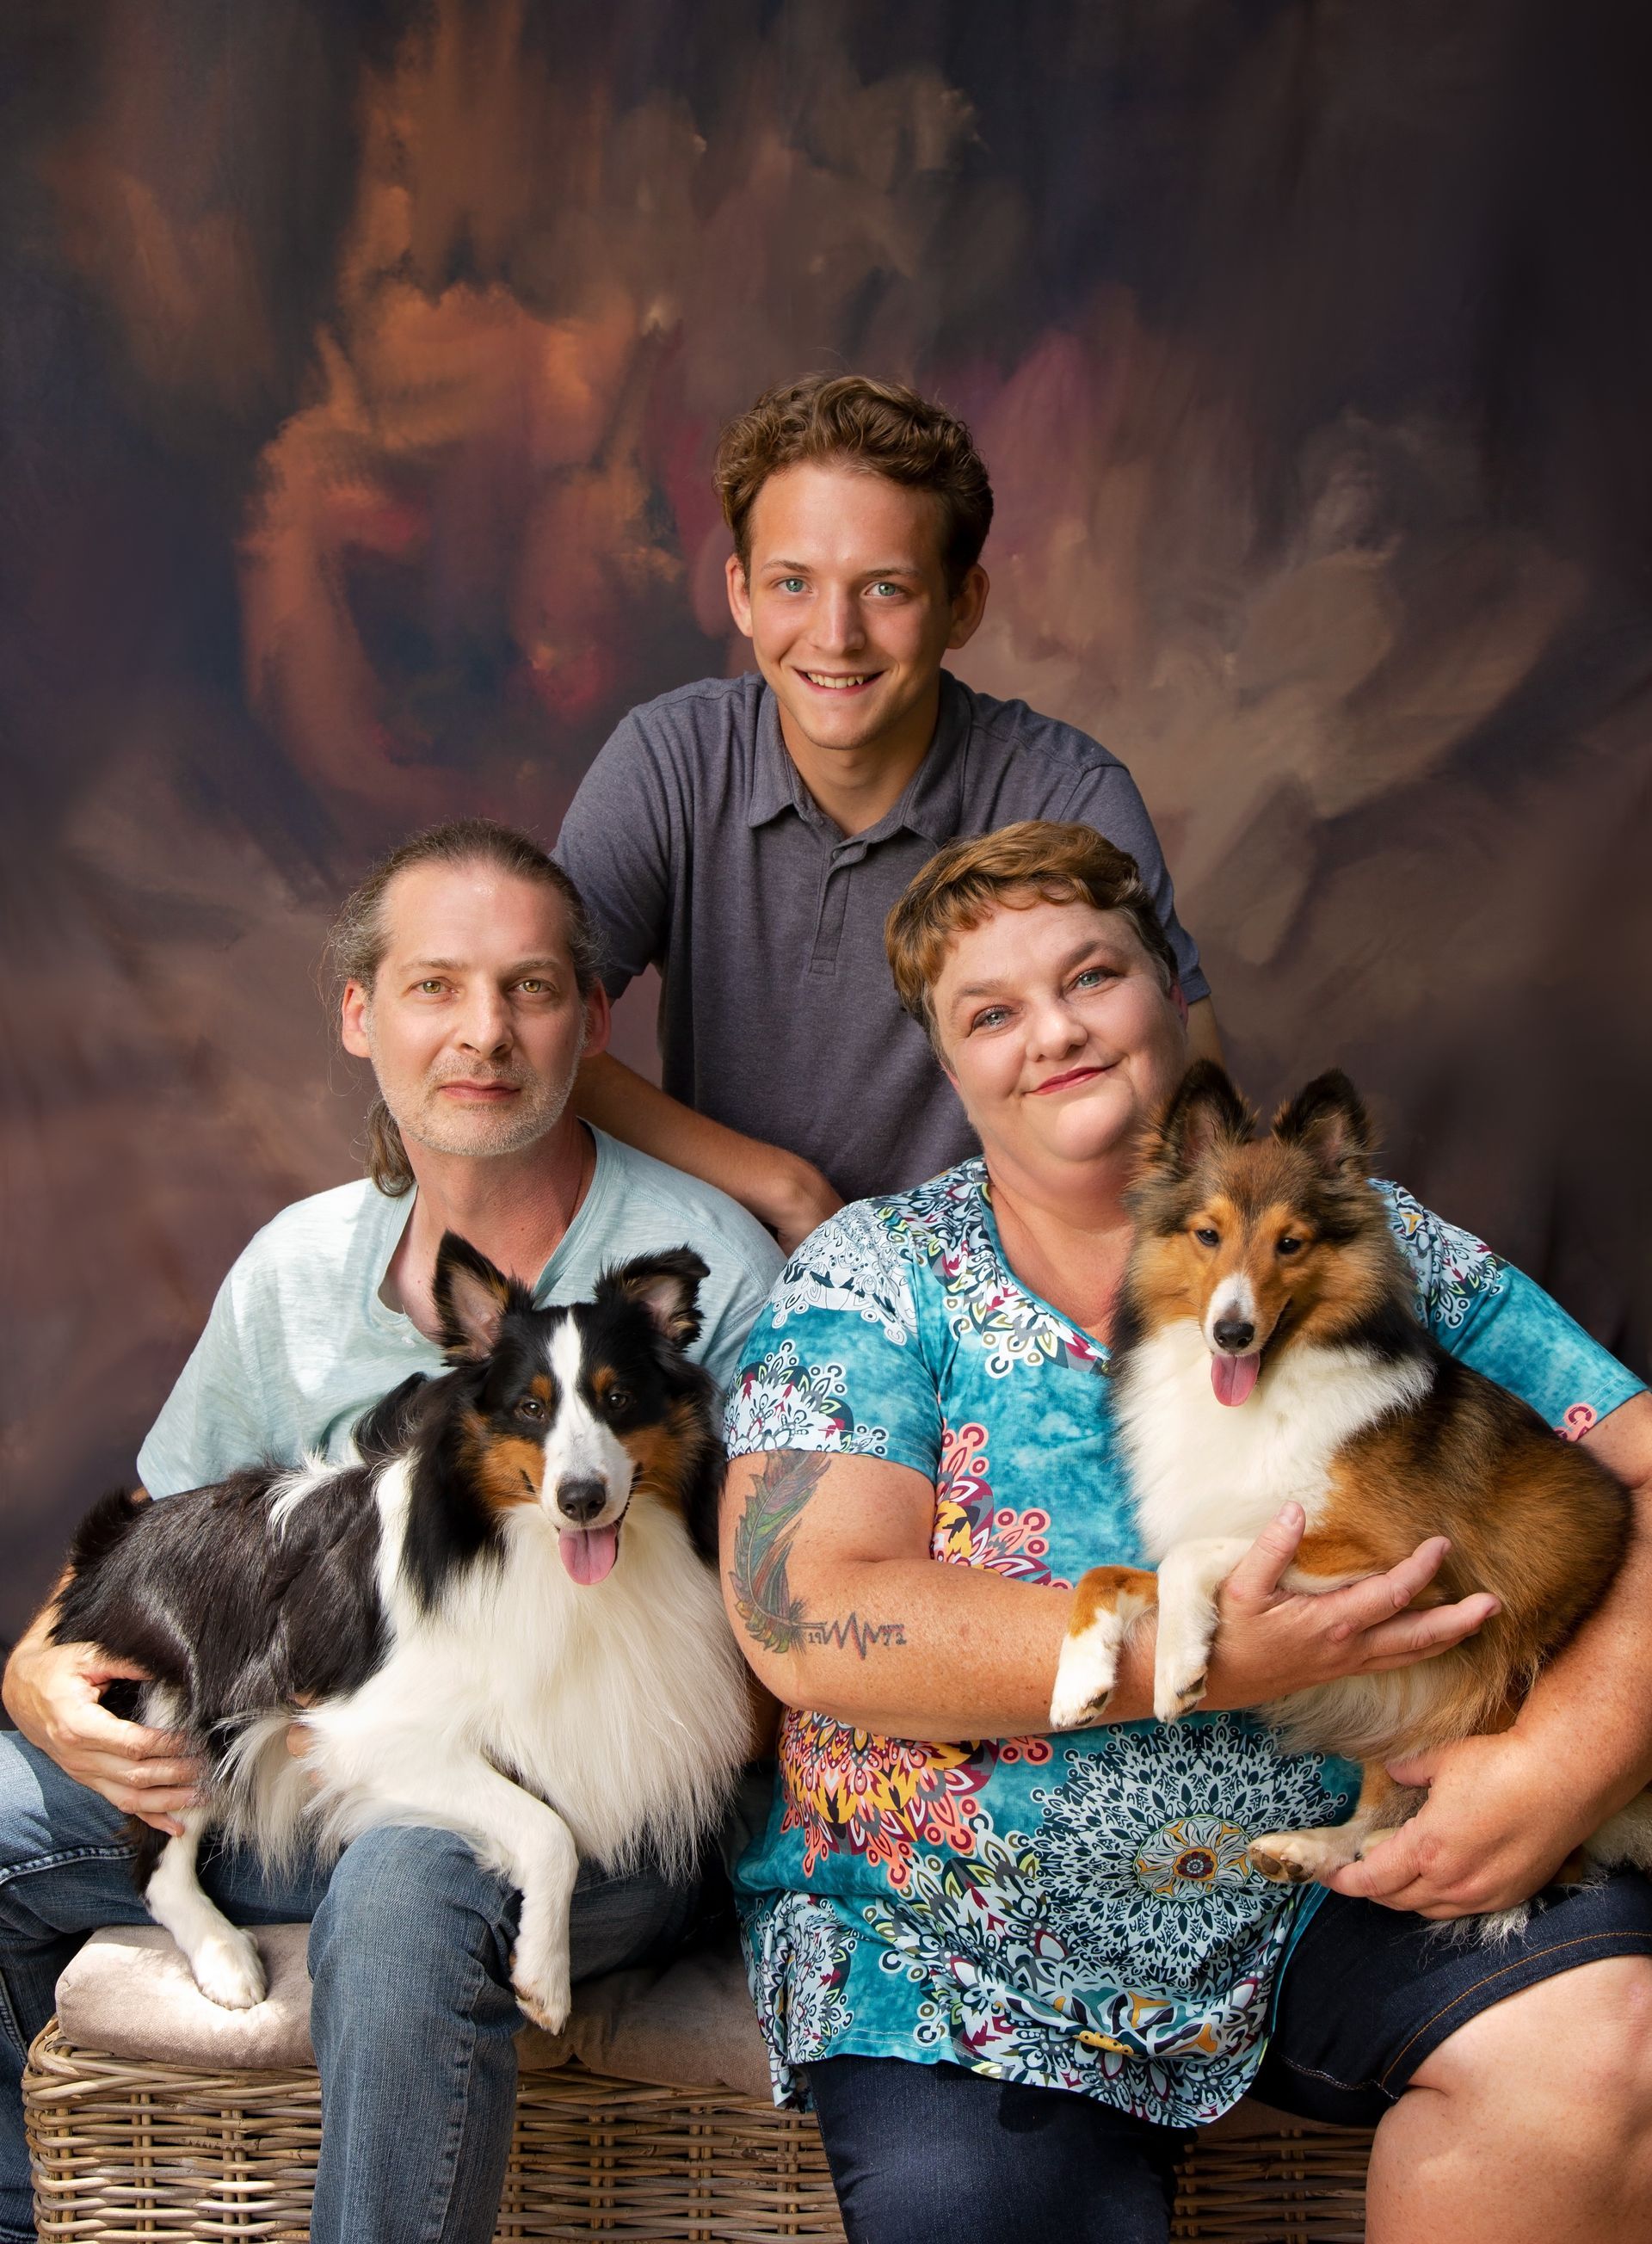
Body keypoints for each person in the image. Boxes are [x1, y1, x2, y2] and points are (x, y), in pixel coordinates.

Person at [717, 819, 1652, 2244]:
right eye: (991, 1010)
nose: (1055, 1031)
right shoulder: (878, 1277)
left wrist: (1567, 1755)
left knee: (1604, 2047)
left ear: (1171, 983)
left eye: (1092, 975)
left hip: (1350, 1882)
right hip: (966, 1954)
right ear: (948, 1059)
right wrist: (1193, 1649)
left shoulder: (1359, 1241)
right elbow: (797, 1611)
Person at [0, 819, 784, 2244]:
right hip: (297, 1761)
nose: (483, 1032)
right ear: (361, 1014)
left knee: (415, 1873)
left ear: (594, 1017)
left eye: (532, 989)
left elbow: (762, 1670)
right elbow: (159, 1521)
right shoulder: (300, 1262)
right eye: (435, 986)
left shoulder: (711, 1272)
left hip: (589, 1804)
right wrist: (39, 1672)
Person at [557, 372, 1224, 1248]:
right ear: (741, 594)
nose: (836, 636)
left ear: (963, 606)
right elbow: (539, 1039)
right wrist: (778, 1187)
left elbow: (1190, 1091)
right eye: (794, 583)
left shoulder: (1067, 797)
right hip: (730, 1264)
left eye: (886, 589)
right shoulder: (669, 763)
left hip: (992, 1292)